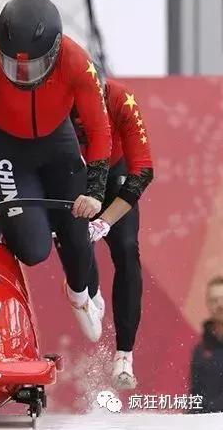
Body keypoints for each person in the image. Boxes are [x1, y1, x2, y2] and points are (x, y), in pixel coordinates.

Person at [0, 0, 112, 342]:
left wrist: (95, 192)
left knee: (76, 228)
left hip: (58, 143)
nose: (23, 76)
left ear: (55, 52)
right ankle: (59, 244)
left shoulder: (77, 62)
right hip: (6, 148)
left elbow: (100, 130)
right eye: (14, 66)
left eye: (33, 67)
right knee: (33, 250)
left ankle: (79, 293)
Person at [69, 77, 154, 389]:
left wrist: (104, 221)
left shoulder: (121, 101)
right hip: (74, 175)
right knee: (75, 241)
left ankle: (124, 354)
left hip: (114, 174)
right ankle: (89, 290)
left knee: (128, 248)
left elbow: (143, 170)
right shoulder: (53, 99)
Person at [189, 276, 223, 413]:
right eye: (214, 300)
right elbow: (196, 395)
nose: (220, 304)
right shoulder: (201, 351)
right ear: (208, 304)